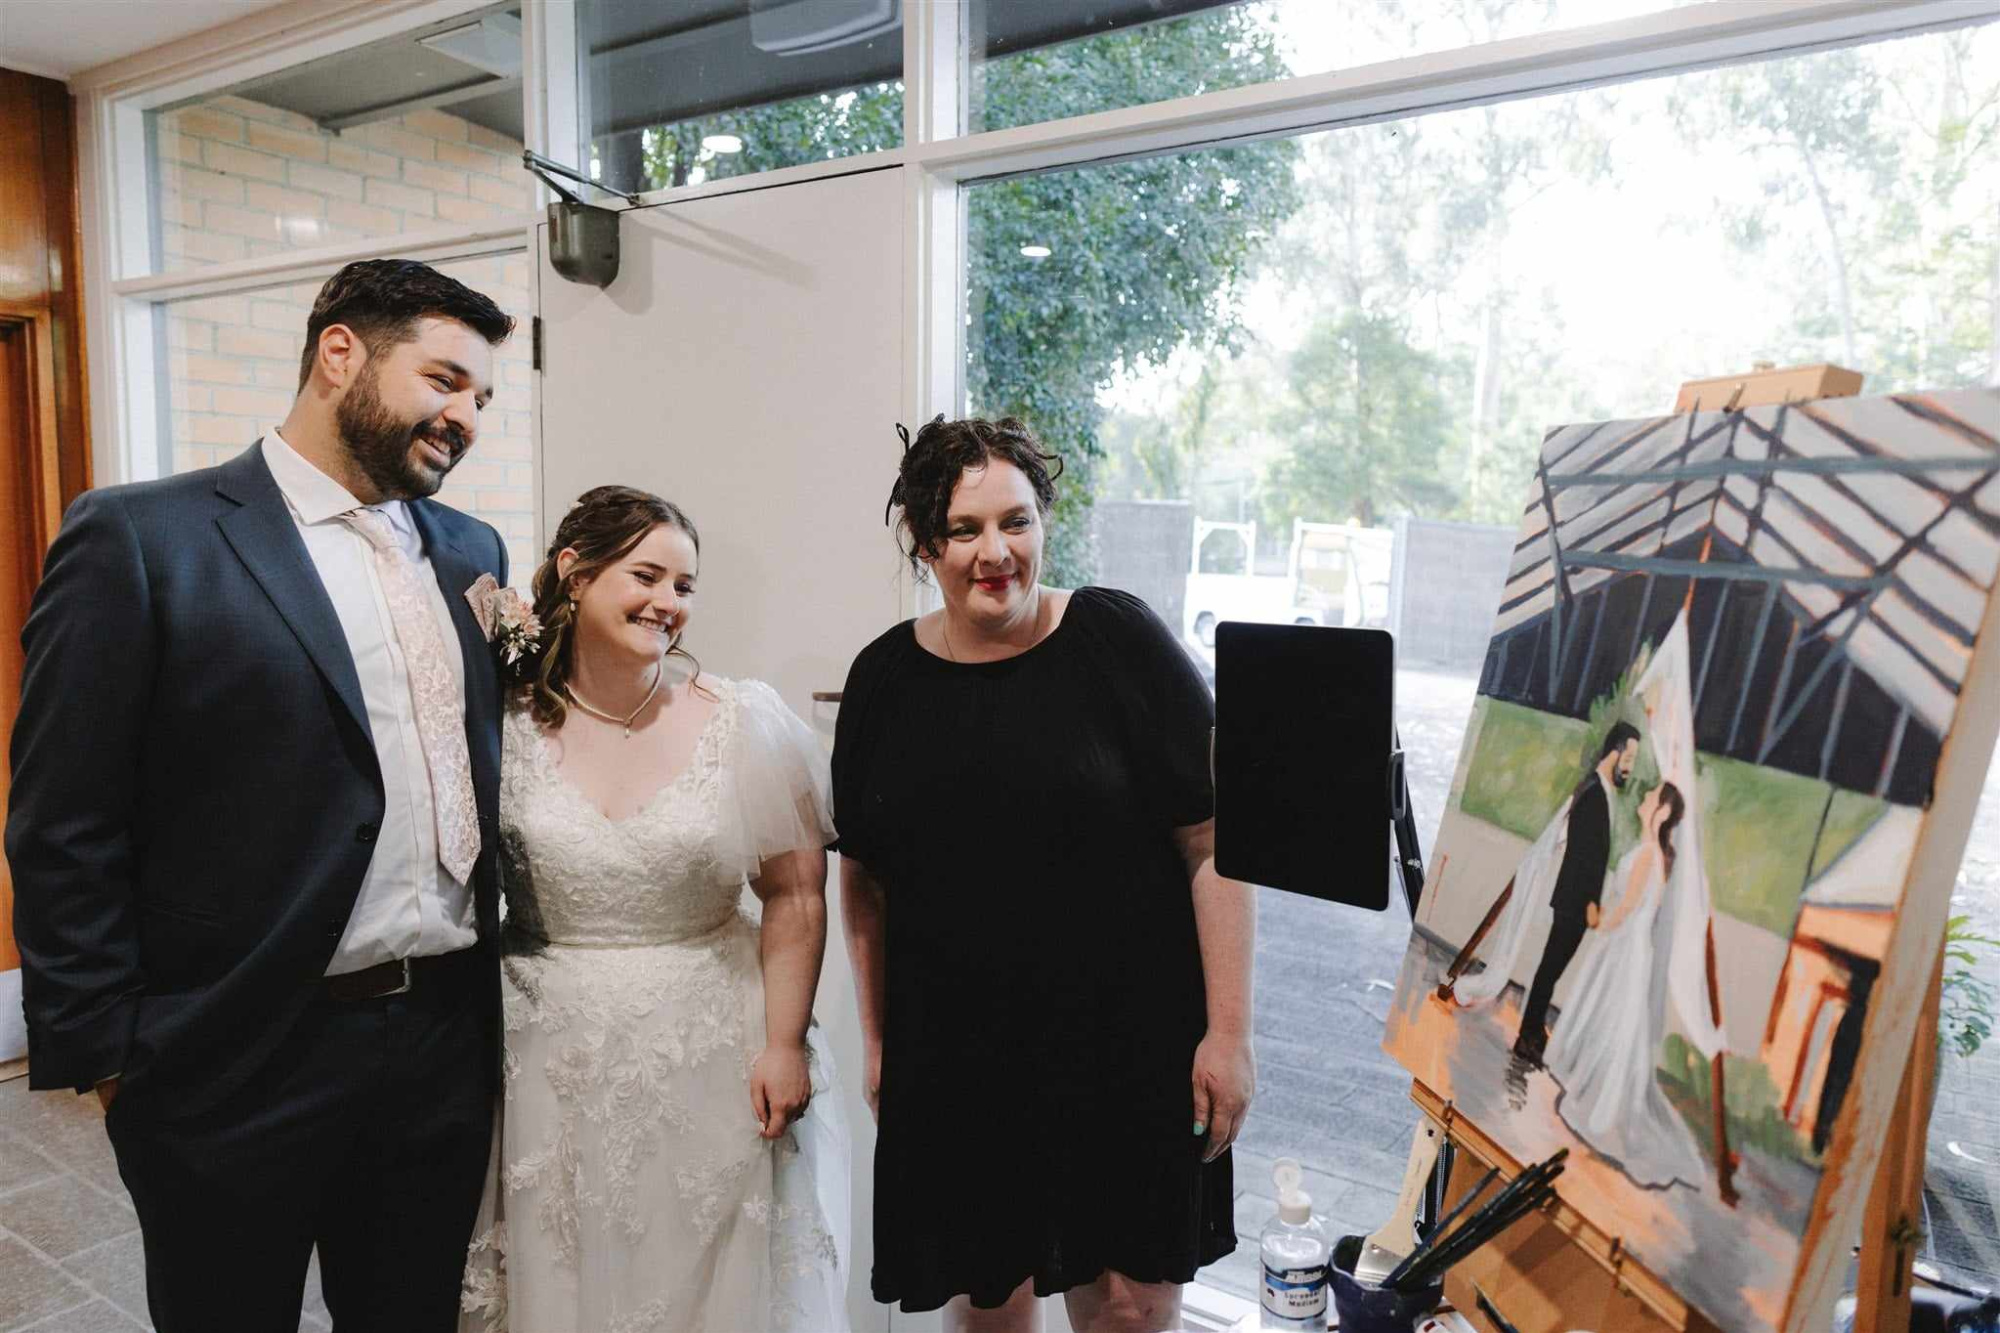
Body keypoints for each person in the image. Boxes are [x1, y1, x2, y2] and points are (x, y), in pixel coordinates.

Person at [8, 259, 516, 1330]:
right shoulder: (145, 539)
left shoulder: (470, 550)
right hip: (237, 1057)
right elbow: (64, 818)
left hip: (439, 1043)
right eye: (444, 379)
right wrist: (115, 1060)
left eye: (480, 398)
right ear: (340, 354)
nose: (465, 415)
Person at [832, 415, 1254, 1333]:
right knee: (989, 1314)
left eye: (1017, 521)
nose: (997, 552)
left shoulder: (1117, 639)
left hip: (1131, 1047)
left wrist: (1228, 1033)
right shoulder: (883, 681)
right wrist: (877, 1037)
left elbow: (1213, 842)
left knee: (1131, 1314)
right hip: (962, 1053)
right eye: (966, 529)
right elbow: (863, 880)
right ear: (923, 544)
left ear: (1045, 524)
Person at [457, 486, 847, 1333]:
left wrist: (784, 1042)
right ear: (574, 571)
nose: (669, 603)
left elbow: (796, 892)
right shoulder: (498, 719)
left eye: (686, 586)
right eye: (648, 575)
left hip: (710, 1049)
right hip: (540, 1050)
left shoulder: (742, 720)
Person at [1546, 781, 1707, 1189]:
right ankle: (1594, 1080)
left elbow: (1627, 909)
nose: (1646, 799)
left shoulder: (1647, 857)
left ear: (1664, 813)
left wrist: (1597, 918)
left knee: (1607, 1014)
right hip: (1634, 950)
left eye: (1653, 798)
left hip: (1622, 946)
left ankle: (1596, 1094)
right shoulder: (1658, 858)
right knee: (1615, 1019)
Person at [1511, 721, 1640, 1066]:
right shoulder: (1594, 793)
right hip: (1573, 901)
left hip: (1575, 901)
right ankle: (1527, 1038)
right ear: (1614, 751)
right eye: (1628, 757)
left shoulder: (1603, 791)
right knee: (1550, 968)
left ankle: (1534, 1031)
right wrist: (1590, 904)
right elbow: (1583, 855)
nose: (1630, 765)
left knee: (1552, 969)